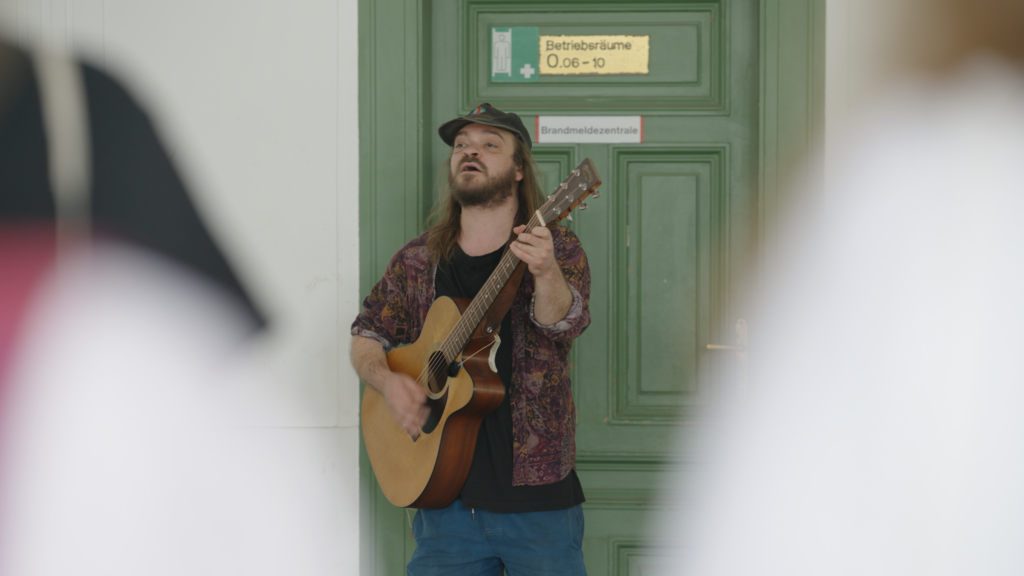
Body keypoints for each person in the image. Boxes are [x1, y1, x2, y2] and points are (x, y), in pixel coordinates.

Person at [350, 103, 590, 575]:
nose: (470, 152)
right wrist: (386, 381)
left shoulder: (555, 247)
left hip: (540, 504)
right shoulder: (418, 260)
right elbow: (366, 333)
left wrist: (544, 272)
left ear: (519, 169)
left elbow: (563, 325)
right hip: (443, 505)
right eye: (461, 145)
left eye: (489, 144)